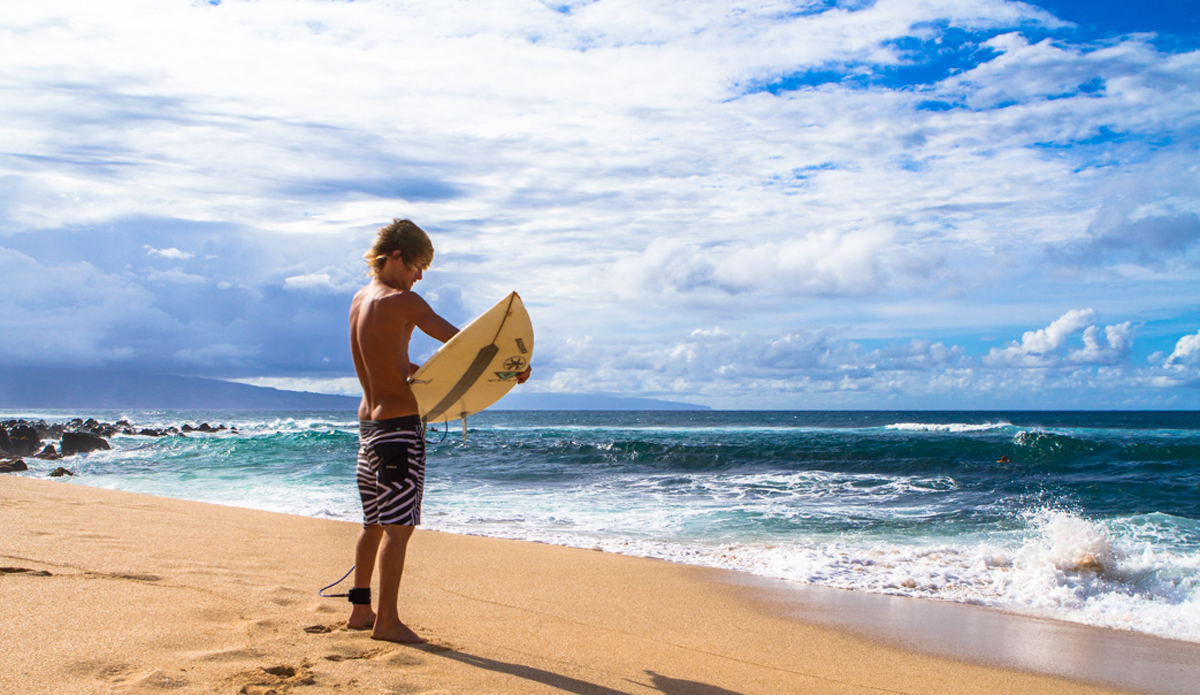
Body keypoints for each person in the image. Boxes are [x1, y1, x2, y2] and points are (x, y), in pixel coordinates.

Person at [347, 219, 528, 643]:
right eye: (416, 266)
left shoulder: (359, 301)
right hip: (398, 429)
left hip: (368, 427)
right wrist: (513, 367)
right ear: (395, 257)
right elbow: (464, 346)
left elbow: (386, 363)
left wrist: (421, 374)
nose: (419, 276)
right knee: (399, 527)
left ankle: (360, 610)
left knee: (372, 521)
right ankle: (387, 621)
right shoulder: (404, 303)